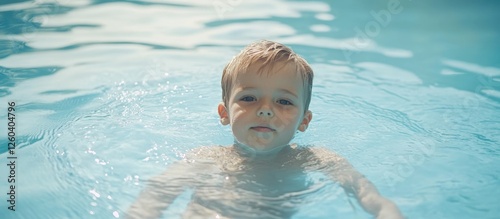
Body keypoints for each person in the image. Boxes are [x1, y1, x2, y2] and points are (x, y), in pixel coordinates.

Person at [126, 40, 404, 219]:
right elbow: (151, 202)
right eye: (249, 98)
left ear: (304, 122)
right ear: (224, 114)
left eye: (284, 101)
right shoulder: (205, 159)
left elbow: (372, 199)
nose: (265, 109)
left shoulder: (316, 160)